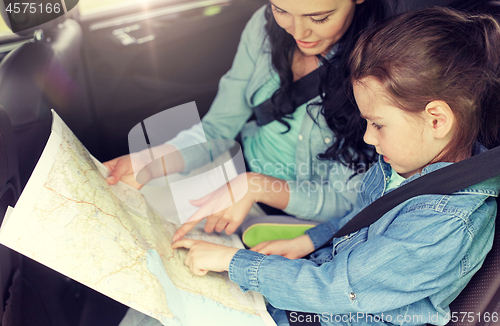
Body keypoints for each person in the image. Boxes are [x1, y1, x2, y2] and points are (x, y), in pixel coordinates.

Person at [169, 7, 500, 325]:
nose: (368, 138)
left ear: (437, 120)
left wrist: (234, 262)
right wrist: (311, 240)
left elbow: (336, 290)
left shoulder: (443, 224)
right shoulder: (402, 168)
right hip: (320, 287)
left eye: (378, 125)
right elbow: (360, 219)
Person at [104, 0, 397, 244]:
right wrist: (153, 159)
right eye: (281, 10)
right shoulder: (263, 26)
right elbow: (218, 127)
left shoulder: (384, 63)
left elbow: (345, 203)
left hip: (298, 220)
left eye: (319, 17)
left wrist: (257, 187)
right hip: (232, 174)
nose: (298, 31)